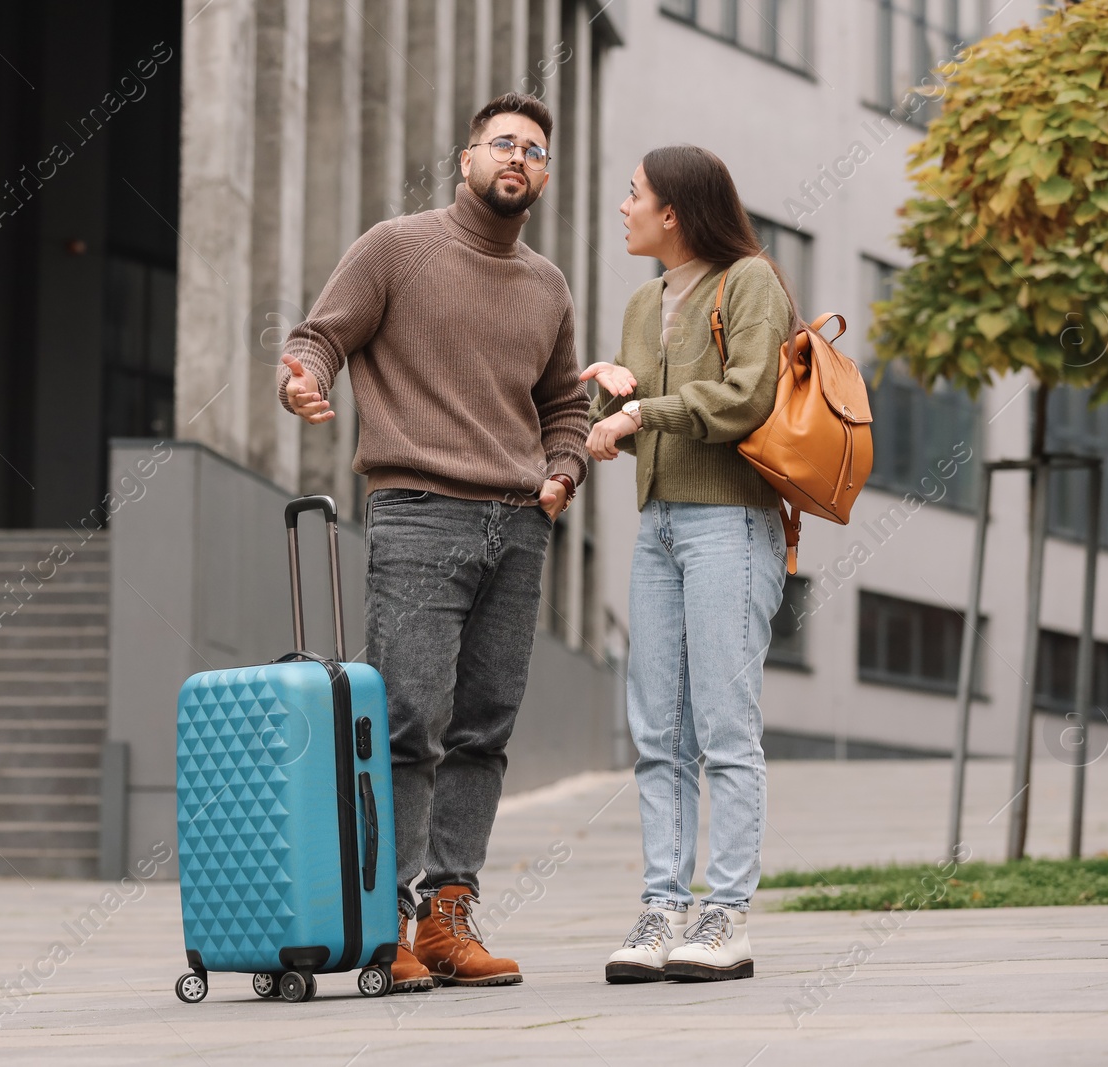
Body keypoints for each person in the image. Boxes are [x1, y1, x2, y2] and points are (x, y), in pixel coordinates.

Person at [277, 92, 589, 993]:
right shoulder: (396, 247)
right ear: (466, 160)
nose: (518, 159)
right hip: (418, 510)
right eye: (503, 144)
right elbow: (317, 337)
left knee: (484, 729)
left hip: (519, 525)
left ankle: (448, 911)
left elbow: (565, 402)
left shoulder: (548, 284)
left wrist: (561, 472)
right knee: (408, 722)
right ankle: (386, 919)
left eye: (534, 150)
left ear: (542, 175)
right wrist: (303, 379)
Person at [582, 145, 795, 983]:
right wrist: (609, 396)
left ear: (673, 211)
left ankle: (726, 915)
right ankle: (662, 907)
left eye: (634, 195)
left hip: (731, 523)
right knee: (657, 728)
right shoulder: (644, 302)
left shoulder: (750, 281)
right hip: (660, 526)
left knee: (724, 726)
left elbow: (748, 395)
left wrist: (638, 412)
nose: (624, 206)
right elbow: (643, 411)